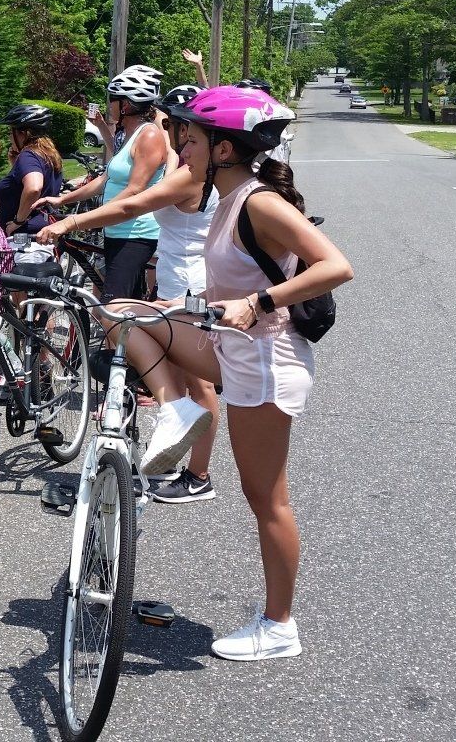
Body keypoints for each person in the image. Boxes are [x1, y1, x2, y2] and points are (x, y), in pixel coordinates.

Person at [109, 85, 353, 661]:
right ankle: (178, 409)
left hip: (266, 362)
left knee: (266, 497)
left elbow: (336, 266)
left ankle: (279, 624)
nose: (179, 148)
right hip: (231, 350)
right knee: (120, 314)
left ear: (223, 148)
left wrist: (261, 302)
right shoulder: (227, 198)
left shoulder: (258, 201)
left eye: (189, 138)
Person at [40, 82, 221, 503]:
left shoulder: (190, 179)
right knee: (156, 350)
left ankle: (198, 473)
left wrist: (68, 223)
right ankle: (178, 444)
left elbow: (129, 204)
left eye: (182, 131)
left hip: (191, 286)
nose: (178, 137)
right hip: (179, 281)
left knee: (193, 382)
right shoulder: (188, 170)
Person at [47, 65, 168, 300]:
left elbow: (135, 189)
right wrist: (63, 199)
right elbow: (106, 179)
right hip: (117, 229)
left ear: (126, 105)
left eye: (113, 99)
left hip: (136, 234)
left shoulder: (149, 135)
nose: (108, 104)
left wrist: (82, 219)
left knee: (114, 308)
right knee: (125, 308)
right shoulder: (132, 134)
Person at [0, 104, 65, 239]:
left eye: (10, 132)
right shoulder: (48, 154)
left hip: (23, 238)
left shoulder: (28, 155)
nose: (9, 137)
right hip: (38, 231)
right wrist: (15, 163)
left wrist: (18, 221)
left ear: (23, 133)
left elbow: (34, 188)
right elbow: (23, 186)